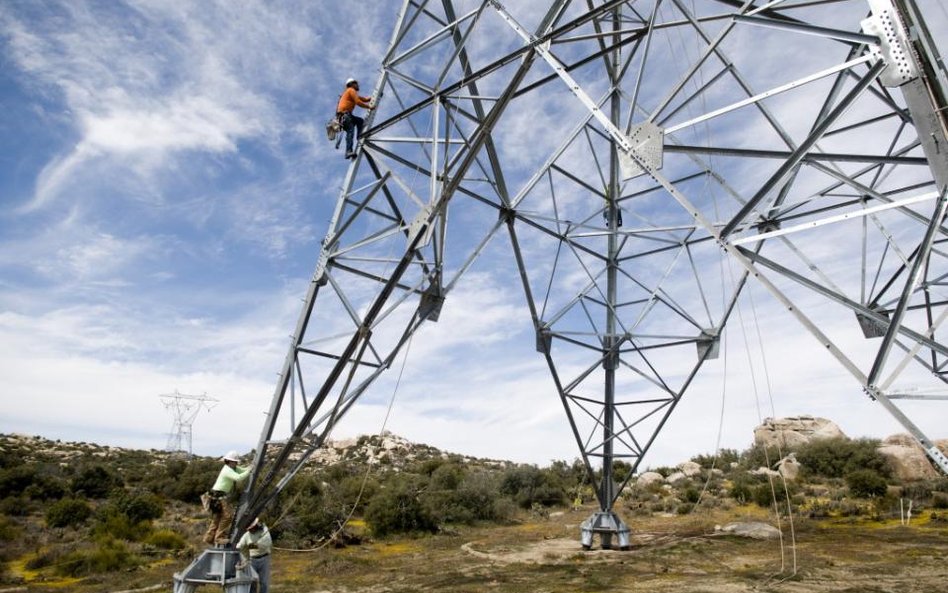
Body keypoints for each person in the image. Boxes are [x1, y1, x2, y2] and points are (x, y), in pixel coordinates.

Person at [203, 450, 250, 546]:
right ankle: (219, 538)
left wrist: (250, 468)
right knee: (228, 516)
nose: (236, 463)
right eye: (235, 462)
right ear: (229, 461)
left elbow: (243, 470)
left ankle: (209, 538)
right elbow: (239, 478)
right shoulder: (227, 470)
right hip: (218, 496)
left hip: (215, 496)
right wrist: (249, 470)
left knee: (218, 518)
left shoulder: (232, 468)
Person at [336, 77, 374, 159]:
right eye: (356, 83)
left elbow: (363, 99)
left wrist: (372, 97)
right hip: (345, 116)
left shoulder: (349, 92)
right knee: (350, 131)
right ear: (352, 84)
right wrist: (369, 107)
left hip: (346, 116)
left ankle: (359, 136)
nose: (358, 85)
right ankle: (348, 152)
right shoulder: (351, 90)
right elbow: (358, 102)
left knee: (360, 121)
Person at [237, 518, 272, 593]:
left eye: (252, 528)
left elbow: (267, 543)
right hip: (252, 561)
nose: (250, 530)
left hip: (264, 559)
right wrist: (245, 557)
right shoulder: (246, 535)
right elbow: (240, 546)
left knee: (264, 582)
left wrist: (253, 545)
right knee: (252, 582)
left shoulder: (264, 530)